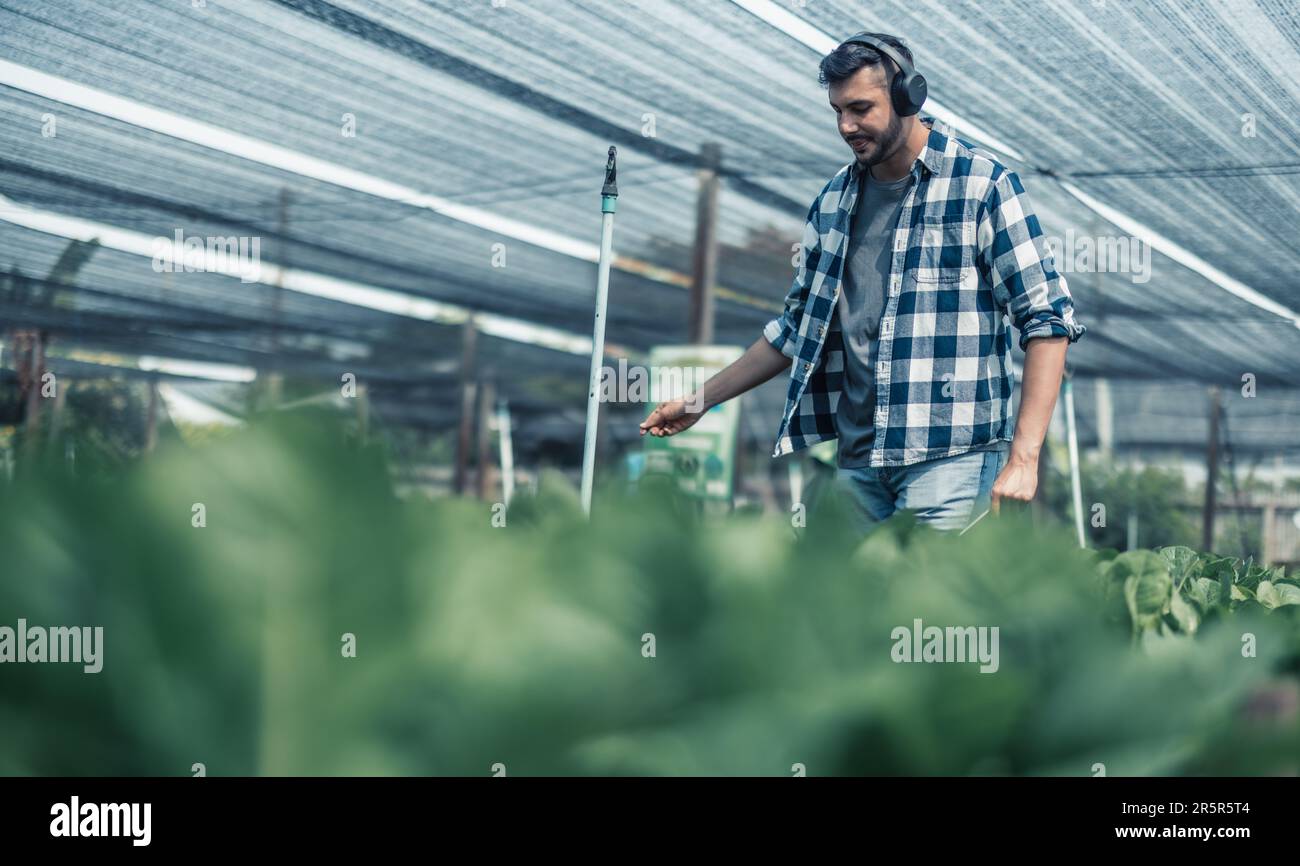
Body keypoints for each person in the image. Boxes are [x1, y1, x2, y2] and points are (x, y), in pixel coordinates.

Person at [639, 32, 1085, 533]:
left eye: (860, 108)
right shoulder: (834, 201)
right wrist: (699, 401)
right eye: (837, 111)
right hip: (857, 464)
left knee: (924, 606)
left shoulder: (981, 186)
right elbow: (795, 331)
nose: (846, 126)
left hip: (951, 460)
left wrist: (1024, 458)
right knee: (843, 608)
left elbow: (1047, 317)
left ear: (906, 97)